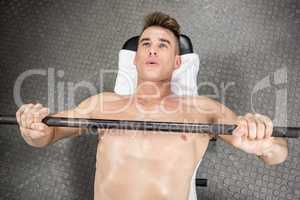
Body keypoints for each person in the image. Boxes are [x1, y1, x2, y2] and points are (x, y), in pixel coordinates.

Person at [16, 12, 288, 200]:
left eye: (163, 45)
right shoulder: (104, 103)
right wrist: (35, 131)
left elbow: (278, 154)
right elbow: (49, 134)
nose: (152, 50)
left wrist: (265, 144)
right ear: (135, 59)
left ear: (177, 62)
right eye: (145, 44)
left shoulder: (204, 110)